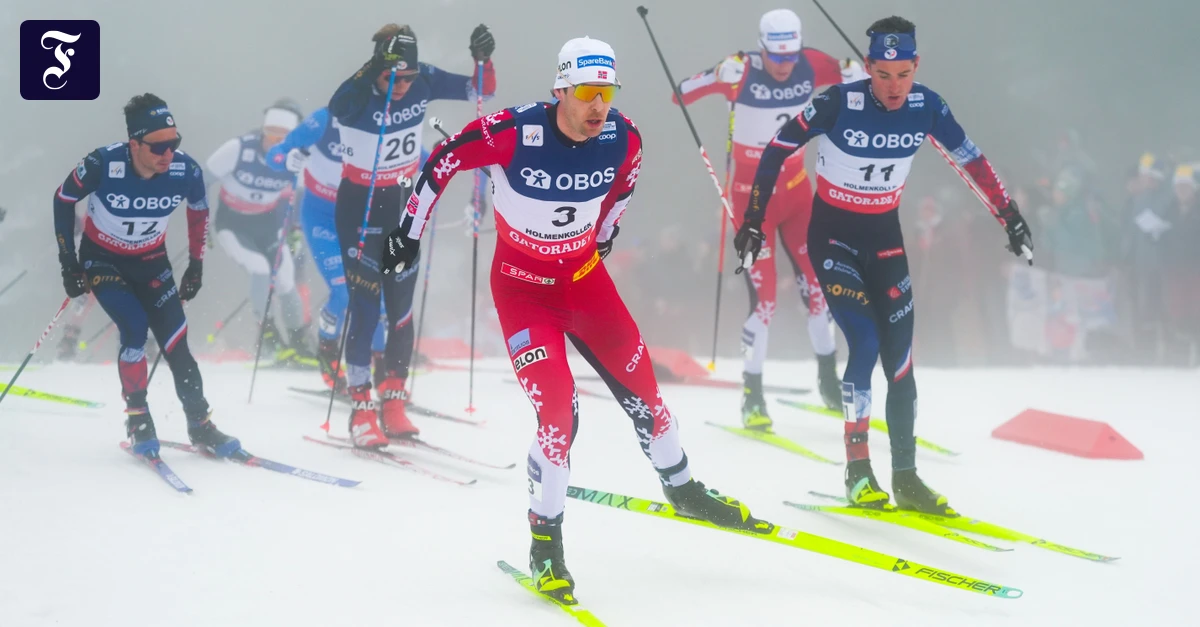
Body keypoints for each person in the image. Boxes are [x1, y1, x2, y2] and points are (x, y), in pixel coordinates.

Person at [384, 36, 767, 604]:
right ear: (560, 89)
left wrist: (605, 237)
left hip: (585, 283)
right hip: (522, 294)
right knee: (558, 417)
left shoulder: (623, 135)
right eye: (587, 92)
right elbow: (440, 164)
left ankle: (682, 488)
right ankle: (546, 548)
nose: (598, 106)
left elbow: (623, 188)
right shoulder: (514, 133)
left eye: (607, 93)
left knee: (647, 397)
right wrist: (408, 237)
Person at [733, 17, 1033, 515]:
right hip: (833, 240)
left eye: (903, 73)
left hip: (885, 241)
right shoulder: (837, 102)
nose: (894, 86)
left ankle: (907, 476)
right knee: (866, 341)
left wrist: (1011, 217)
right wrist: (753, 221)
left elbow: (971, 160)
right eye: (883, 74)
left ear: (916, 67)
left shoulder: (926, 106)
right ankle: (857, 470)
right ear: (867, 67)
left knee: (901, 359)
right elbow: (776, 149)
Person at [676, 10, 867, 425]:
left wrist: (855, 72)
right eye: (777, 57)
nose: (784, 66)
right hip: (751, 203)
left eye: (790, 57)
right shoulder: (742, 70)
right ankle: (753, 393)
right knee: (765, 303)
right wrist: (715, 76)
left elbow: (863, 79)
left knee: (820, 290)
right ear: (763, 49)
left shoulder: (812, 62)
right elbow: (681, 94)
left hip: (798, 192)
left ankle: (829, 378)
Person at [328, 23, 496, 447]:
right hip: (360, 209)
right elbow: (337, 106)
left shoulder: (423, 79)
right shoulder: (360, 90)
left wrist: (483, 60)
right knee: (366, 311)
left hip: (404, 204)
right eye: (393, 77)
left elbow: (482, 92)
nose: (402, 86)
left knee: (401, 309)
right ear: (378, 69)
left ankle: (394, 400)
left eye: (407, 78)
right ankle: (361, 407)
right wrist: (372, 72)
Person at [52, 93, 240, 458]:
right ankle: (138, 418)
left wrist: (196, 265)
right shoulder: (103, 163)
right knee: (135, 329)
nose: (167, 154)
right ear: (134, 143)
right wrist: (68, 262)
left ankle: (200, 425)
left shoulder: (186, 170)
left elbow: (199, 212)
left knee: (177, 344)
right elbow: (62, 198)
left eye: (174, 143)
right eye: (158, 147)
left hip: (151, 262)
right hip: (103, 261)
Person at [264, 107, 413, 391]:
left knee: (380, 297)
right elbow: (275, 155)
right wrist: (288, 160)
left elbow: (433, 159)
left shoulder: (390, 123)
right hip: (322, 219)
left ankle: (381, 367)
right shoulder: (324, 119)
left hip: (362, 218)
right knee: (344, 292)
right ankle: (328, 349)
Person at [206, 99, 313, 363]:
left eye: (283, 137)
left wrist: (296, 231)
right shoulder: (237, 149)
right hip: (233, 227)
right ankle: (267, 337)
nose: (274, 142)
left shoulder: (296, 159)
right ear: (263, 130)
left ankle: (298, 342)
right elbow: (201, 181)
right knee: (260, 270)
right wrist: (200, 221)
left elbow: (298, 197)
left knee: (286, 281)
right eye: (270, 134)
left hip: (269, 227)